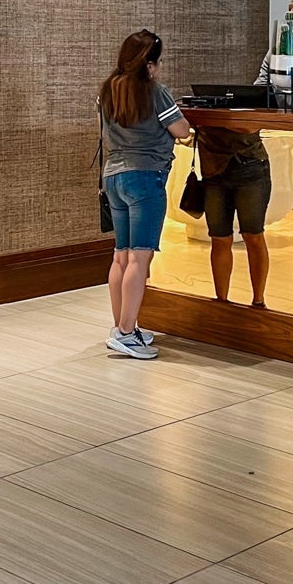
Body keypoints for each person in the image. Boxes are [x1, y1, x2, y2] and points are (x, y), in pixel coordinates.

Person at [99, 29, 190, 359]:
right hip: (145, 177)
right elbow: (182, 130)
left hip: (114, 176)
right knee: (140, 258)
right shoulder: (155, 92)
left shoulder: (108, 89)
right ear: (148, 64)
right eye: (158, 62)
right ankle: (126, 333)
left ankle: (123, 328)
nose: (160, 68)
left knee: (121, 256)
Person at [195, 126, 272, 307]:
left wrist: (214, 120)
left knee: (253, 236)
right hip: (212, 168)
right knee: (219, 238)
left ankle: (258, 302)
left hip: (250, 163)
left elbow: (251, 126)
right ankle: (221, 303)